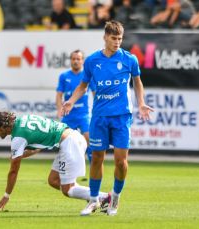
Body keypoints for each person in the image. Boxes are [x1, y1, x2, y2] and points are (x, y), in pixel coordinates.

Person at [61, 20, 154, 216]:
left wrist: (141, 102)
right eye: (113, 38)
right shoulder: (93, 61)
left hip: (121, 117)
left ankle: (116, 197)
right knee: (96, 158)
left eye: (120, 38)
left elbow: (138, 83)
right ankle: (93, 200)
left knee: (121, 162)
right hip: (100, 117)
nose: (117, 42)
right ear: (105, 38)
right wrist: (70, 101)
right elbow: (83, 86)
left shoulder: (130, 59)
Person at [0, 106, 110, 212]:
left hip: (70, 144)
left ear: (3, 126)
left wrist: (6, 195)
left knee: (67, 189)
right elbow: (40, 143)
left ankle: (104, 197)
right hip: (72, 138)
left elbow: (13, 171)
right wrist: (24, 154)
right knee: (53, 180)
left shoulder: (18, 138)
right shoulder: (24, 119)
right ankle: (96, 197)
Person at [56, 50, 95, 163]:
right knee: (64, 142)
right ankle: (66, 170)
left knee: (89, 138)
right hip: (68, 115)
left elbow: (95, 93)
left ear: (82, 61)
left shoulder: (87, 76)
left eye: (78, 59)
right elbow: (59, 95)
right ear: (70, 61)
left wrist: (99, 108)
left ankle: (94, 167)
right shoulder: (64, 76)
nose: (76, 61)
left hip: (83, 115)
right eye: (73, 59)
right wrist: (59, 109)